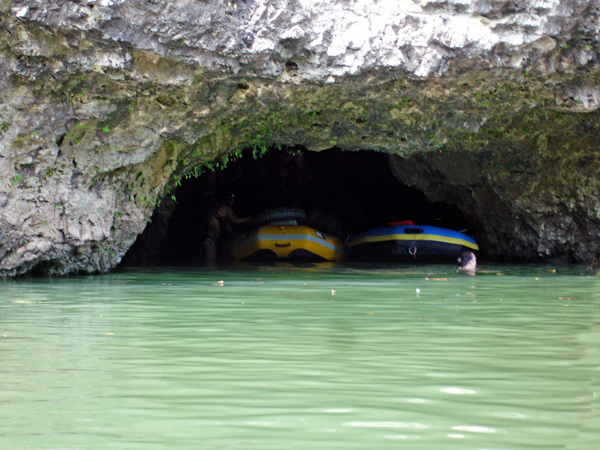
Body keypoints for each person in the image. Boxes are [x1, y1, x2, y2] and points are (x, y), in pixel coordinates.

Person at [201, 192, 250, 264]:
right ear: (231, 200)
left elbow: (229, 229)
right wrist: (252, 218)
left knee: (211, 261)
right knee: (210, 263)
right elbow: (236, 220)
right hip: (210, 239)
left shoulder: (217, 208)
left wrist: (235, 235)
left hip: (208, 237)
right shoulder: (226, 208)